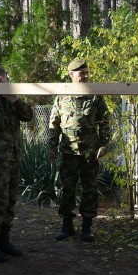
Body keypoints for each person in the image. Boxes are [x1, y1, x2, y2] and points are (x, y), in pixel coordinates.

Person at [48, 58, 111, 242]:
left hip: (89, 150)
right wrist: (52, 147)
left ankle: (87, 226)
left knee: (89, 188)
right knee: (67, 188)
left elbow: (104, 121)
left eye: (86, 73)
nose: (84, 76)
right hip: (68, 150)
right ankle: (67, 225)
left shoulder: (95, 96)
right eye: (81, 73)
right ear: (71, 75)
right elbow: (54, 123)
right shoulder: (62, 96)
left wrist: (103, 145)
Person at [0, 66, 33, 262]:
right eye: (1, 79)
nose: (5, 81)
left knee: (10, 200)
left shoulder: (11, 99)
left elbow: (28, 116)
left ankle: (4, 240)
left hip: (13, 157)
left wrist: (16, 101)